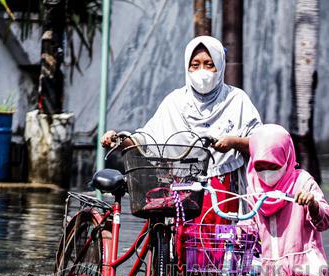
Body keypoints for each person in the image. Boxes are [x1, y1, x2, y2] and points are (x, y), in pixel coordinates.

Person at [101, 35, 262, 210]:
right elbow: (146, 141)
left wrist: (233, 142)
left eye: (209, 64)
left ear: (220, 66)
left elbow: (261, 145)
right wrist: (117, 139)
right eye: (195, 65)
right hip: (183, 192)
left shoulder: (237, 100)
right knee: (181, 237)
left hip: (224, 192)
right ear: (187, 67)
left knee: (223, 237)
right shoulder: (175, 102)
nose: (202, 71)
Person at [245, 124, 329, 276]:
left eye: (273, 166)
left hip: (305, 274)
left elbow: (327, 219)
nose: (266, 173)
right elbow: (249, 227)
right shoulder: (253, 189)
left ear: (286, 159)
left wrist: (312, 204)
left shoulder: (302, 182)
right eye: (260, 167)